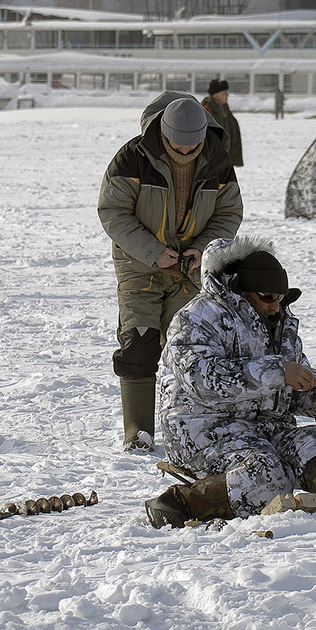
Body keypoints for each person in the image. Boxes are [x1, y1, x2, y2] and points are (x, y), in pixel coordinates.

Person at [145, 235, 316, 528]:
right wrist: (276, 372)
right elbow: (203, 380)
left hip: (267, 429)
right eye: (267, 297)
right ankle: (178, 503)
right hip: (206, 432)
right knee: (267, 476)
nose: (276, 306)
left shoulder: (279, 322)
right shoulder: (196, 319)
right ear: (240, 289)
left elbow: (296, 372)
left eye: (281, 298)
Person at [98, 93, 242, 451]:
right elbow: (113, 211)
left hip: (189, 270)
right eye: (176, 146)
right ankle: (139, 432)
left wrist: (203, 247)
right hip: (139, 266)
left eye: (192, 148)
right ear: (162, 133)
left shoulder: (218, 160)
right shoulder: (132, 157)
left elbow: (228, 214)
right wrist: (152, 251)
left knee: (189, 349)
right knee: (139, 343)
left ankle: (192, 426)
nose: (184, 152)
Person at [200, 79, 241, 167]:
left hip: (225, 159)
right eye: (224, 93)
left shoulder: (225, 110)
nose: (227, 95)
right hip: (211, 161)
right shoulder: (206, 111)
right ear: (216, 95)